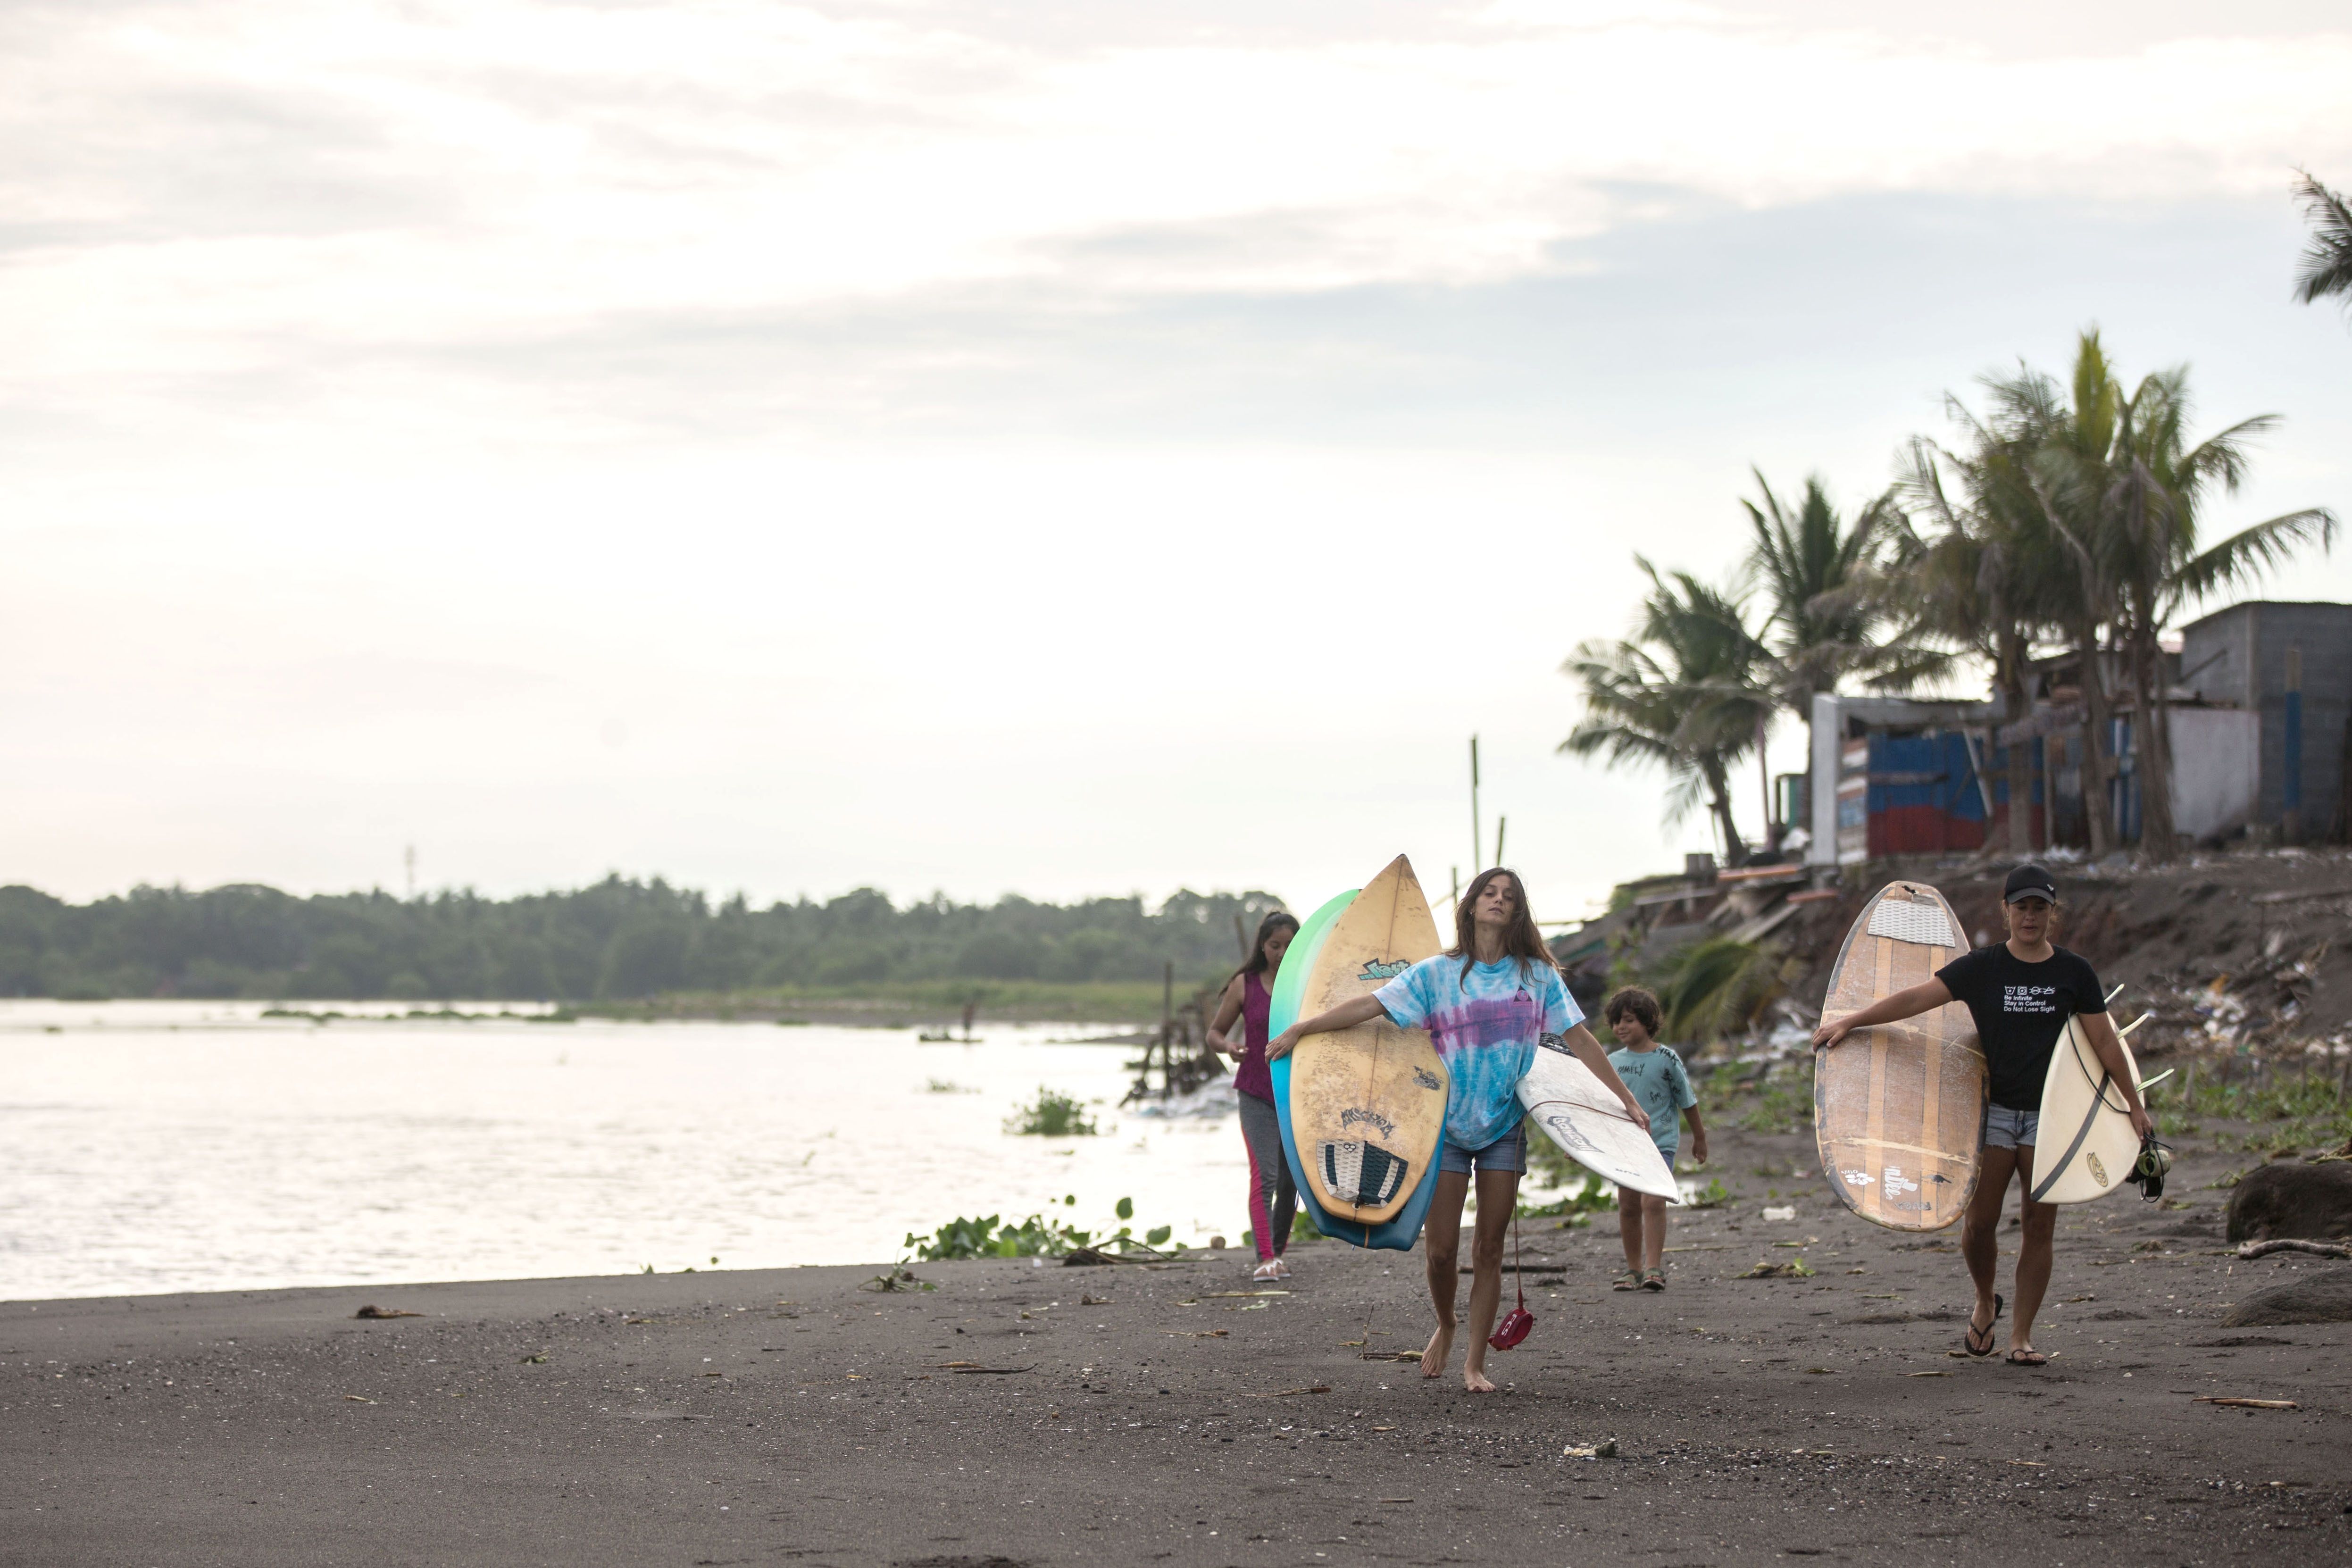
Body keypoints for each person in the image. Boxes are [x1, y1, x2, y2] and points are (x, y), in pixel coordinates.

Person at [1268, 868, 1647, 1392]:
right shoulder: (1436, 974)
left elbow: (1580, 1042)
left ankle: (1474, 1363)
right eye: (1489, 894)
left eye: (1508, 897)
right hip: (1443, 1124)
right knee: (1441, 1250)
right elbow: (1370, 1007)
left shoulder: (1536, 977)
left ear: (1517, 913)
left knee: (1488, 1248)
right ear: (1471, 906)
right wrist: (1303, 1026)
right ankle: (1446, 1322)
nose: (1498, 901)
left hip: (1503, 1127)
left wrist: (1624, 1100)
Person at [1811, 864, 2152, 1367]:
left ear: (2052, 914)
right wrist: (1853, 1021)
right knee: (1980, 1224)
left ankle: (2021, 1337)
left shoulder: (2074, 973)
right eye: (2022, 907)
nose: (2030, 917)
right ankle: (1984, 1298)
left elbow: (2104, 1042)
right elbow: (1917, 999)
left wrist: (2134, 1107)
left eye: (2040, 908)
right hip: (1993, 1114)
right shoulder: (1983, 967)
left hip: (2050, 1118)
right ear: (2006, 911)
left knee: (2039, 1227)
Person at [1206, 910, 1301, 1282]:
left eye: (1290, 945)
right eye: (1275, 945)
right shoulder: (1244, 985)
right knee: (1264, 1175)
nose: (1281, 952)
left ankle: (1277, 1252)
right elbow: (1214, 1033)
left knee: (1291, 1181)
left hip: (1296, 1095)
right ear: (1262, 946)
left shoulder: (1307, 985)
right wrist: (1228, 1047)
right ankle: (1265, 1257)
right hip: (1256, 1093)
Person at [1601, 986, 1707, 1292]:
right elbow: (1602, 1102)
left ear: (1648, 1022)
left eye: (1629, 1020)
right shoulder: (1612, 1061)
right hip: (1625, 1145)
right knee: (1629, 1206)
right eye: (1616, 1021)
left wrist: (1699, 1138)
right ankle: (1633, 1268)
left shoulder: (1666, 1058)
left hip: (1660, 1142)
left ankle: (1654, 1268)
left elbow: (1687, 1100)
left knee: (1654, 1201)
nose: (1620, 1027)